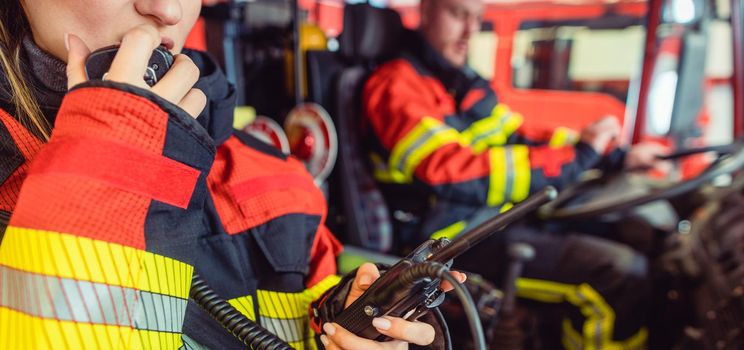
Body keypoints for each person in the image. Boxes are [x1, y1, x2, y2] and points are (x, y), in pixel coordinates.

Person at [0, 1, 465, 349]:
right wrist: (112, 173)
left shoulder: (275, 176)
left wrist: (344, 320)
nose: (168, 9)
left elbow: (298, 311)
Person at [361, 0, 669, 348]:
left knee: (638, 232)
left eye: (477, 18)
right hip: (450, 242)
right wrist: (579, 158)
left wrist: (609, 154)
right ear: (427, 11)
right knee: (620, 277)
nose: (470, 31)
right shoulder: (396, 86)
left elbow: (518, 135)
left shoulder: (458, 81)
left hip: (492, 219)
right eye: (458, 14)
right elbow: (454, 173)